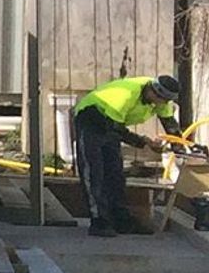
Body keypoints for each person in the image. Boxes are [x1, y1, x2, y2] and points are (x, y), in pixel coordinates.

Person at [74, 73, 184, 235]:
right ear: (153, 91)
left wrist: (178, 148)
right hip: (92, 118)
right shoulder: (127, 95)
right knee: (93, 171)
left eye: (163, 102)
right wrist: (143, 141)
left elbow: (170, 125)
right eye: (158, 99)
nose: (158, 104)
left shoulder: (161, 100)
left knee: (115, 174)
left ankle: (121, 220)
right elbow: (116, 128)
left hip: (112, 123)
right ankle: (99, 221)